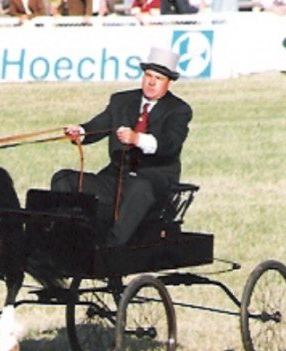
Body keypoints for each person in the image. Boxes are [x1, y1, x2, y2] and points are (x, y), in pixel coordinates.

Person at [53, 46, 192, 247]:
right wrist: (80, 132)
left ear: (168, 83)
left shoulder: (179, 110)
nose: (151, 82)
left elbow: (169, 144)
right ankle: (69, 239)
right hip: (115, 178)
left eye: (159, 79)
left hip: (153, 183)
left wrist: (137, 139)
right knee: (63, 178)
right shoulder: (122, 101)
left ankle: (111, 248)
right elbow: (99, 125)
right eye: (148, 76)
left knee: (138, 187)